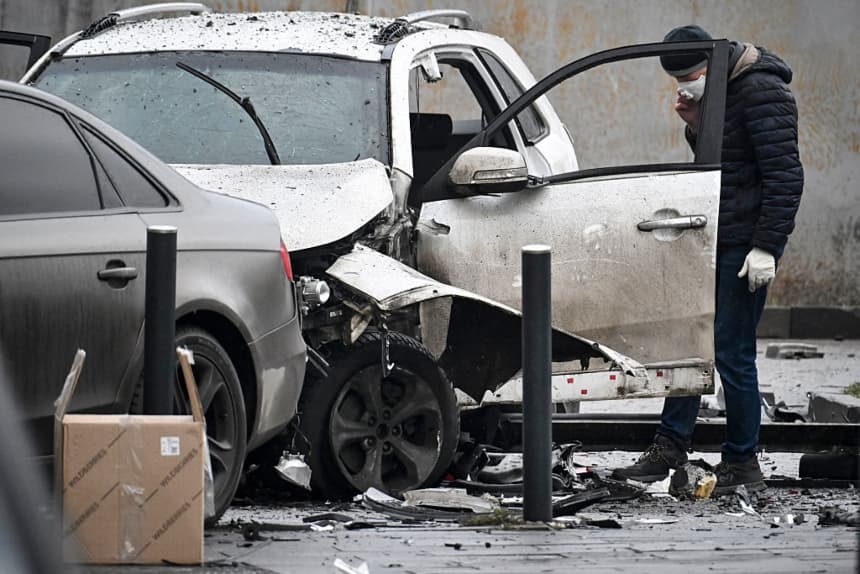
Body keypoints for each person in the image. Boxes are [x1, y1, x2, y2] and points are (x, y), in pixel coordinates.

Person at [613, 25, 804, 495]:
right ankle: (670, 445)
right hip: (713, 238)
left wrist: (767, 247)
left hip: (744, 244)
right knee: (691, 344)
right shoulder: (718, 92)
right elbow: (721, 162)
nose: (686, 85)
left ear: (715, 64)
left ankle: (742, 463)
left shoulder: (762, 91)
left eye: (693, 75)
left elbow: (785, 175)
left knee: (731, 353)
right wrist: (696, 120)